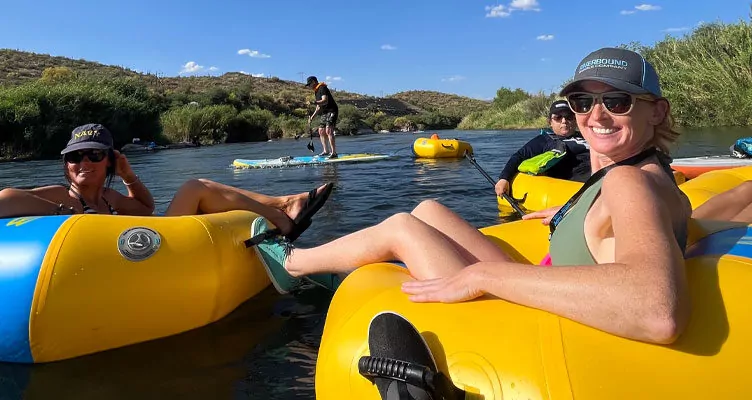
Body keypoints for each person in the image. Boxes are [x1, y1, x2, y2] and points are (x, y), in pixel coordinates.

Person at [251, 47, 693, 345]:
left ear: (657, 110)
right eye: (582, 101)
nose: (595, 114)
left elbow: (657, 310)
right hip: (550, 293)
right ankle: (346, 263)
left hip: (535, 325)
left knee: (403, 227)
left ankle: (292, 264)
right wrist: (573, 211)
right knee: (428, 209)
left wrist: (482, 277)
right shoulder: (644, 174)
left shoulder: (627, 182)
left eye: (616, 101)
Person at [0, 123, 334, 244]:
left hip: (144, 250)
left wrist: (128, 175)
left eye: (93, 155)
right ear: (66, 165)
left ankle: (282, 205)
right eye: (74, 157)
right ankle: (283, 210)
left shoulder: (109, 197)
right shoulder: (63, 194)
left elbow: (146, 208)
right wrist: (65, 211)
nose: (82, 163)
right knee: (195, 187)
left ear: (108, 160)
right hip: (130, 260)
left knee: (199, 188)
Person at [494, 99, 591, 197]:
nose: (564, 121)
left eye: (569, 117)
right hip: (580, 183)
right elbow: (519, 156)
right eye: (558, 117)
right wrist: (504, 178)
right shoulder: (545, 140)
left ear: (575, 119)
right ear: (550, 122)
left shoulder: (588, 135)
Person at [306, 76, 340, 158]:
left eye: (309, 84)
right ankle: (326, 151)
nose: (309, 86)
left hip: (332, 110)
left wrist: (313, 102)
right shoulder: (316, 91)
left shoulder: (322, 88)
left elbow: (325, 101)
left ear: (313, 82)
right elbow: (318, 107)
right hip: (325, 112)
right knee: (321, 131)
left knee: (328, 130)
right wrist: (312, 118)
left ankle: (334, 153)